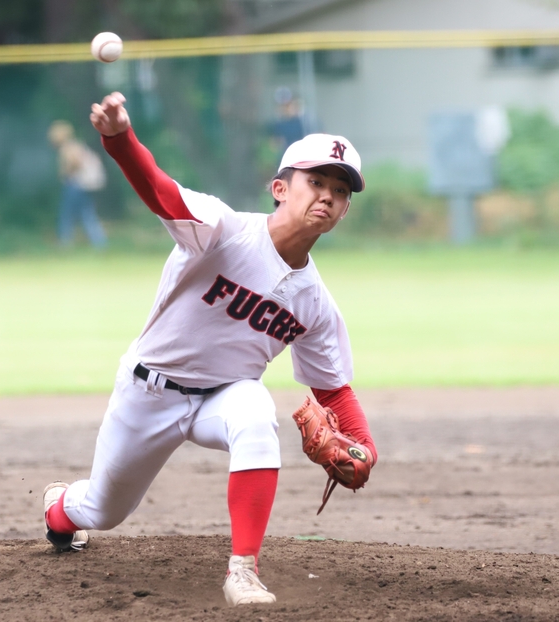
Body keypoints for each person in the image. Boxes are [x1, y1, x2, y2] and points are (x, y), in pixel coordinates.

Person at [42, 92, 377, 607]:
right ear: (281, 188)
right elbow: (160, 192)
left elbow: (333, 389)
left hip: (225, 395)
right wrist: (119, 138)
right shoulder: (222, 231)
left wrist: (365, 448)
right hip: (150, 390)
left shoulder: (316, 304)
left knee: (256, 414)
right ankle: (61, 507)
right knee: (103, 510)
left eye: (340, 190)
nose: (328, 196)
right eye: (316, 182)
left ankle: (243, 571)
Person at [47, 120, 108, 249]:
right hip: (84, 186)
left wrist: (65, 172)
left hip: (74, 185)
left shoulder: (67, 148)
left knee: (66, 215)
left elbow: (74, 163)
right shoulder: (77, 145)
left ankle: (65, 243)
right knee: (88, 215)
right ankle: (100, 243)